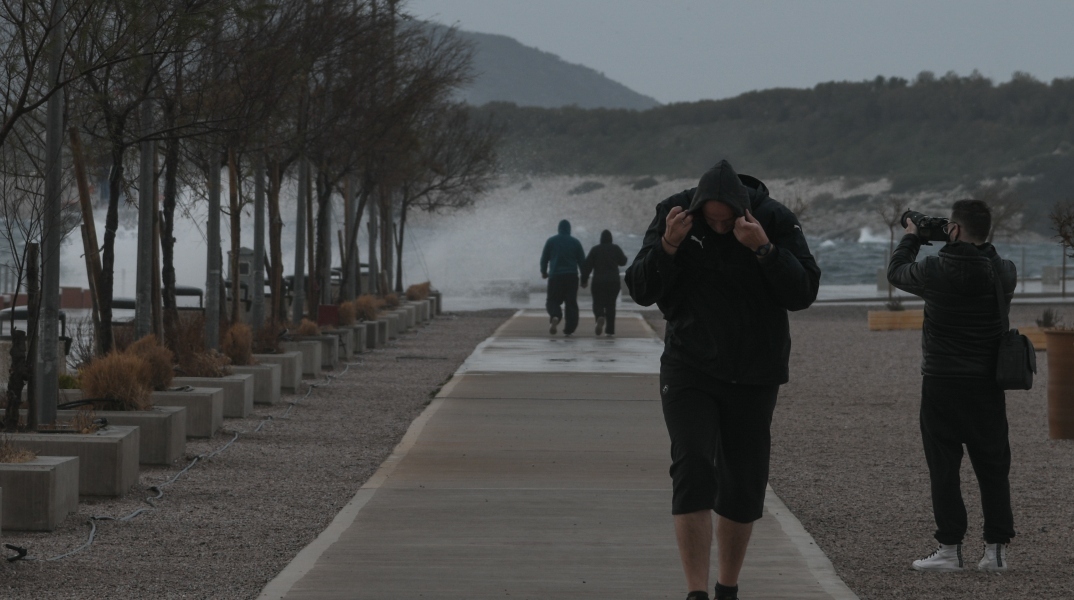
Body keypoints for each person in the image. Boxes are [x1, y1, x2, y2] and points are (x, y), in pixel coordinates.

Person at [625, 160, 820, 600]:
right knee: (693, 465)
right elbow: (639, 289)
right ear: (697, 207)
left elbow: (804, 292)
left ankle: (726, 587)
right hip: (689, 365)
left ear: (741, 209)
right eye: (710, 220)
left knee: (744, 483)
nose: (717, 227)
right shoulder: (674, 214)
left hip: (754, 370)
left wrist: (765, 249)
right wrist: (668, 246)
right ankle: (695, 592)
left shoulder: (774, 218)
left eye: (725, 221)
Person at [887, 199, 1017, 573]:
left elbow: (896, 272)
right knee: (993, 467)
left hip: (941, 382)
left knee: (944, 468)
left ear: (954, 230)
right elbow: (985, 258)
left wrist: (913, 235)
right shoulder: (1004, 271)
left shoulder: (933, 270)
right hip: (987, 384)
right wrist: (967, 239)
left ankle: (949, 550)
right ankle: (995, 552)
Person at [540, 219, 587, 335]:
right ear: (569, 229)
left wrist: (544, 272)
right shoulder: (575, 242)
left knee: (552, 300)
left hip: (555, 277)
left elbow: (544, 258)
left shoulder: (551, 241)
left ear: (559, 229)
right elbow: (582, 262)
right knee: (571, 303)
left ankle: (555, 315)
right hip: (571, 277)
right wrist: (584, 279)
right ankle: (569, 329)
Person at [581, 229, 628, 336]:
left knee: (597, 303)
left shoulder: (595, 250)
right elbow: (623, 261)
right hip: (613, 282)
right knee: (611, 305)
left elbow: (587, 266)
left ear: (601, 239)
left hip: (598, 282)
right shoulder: (615, 248)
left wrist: (584, 280)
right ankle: (610, 331)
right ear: (611, 238)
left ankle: (600, 316)